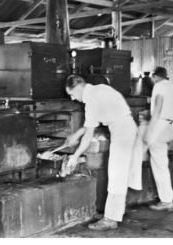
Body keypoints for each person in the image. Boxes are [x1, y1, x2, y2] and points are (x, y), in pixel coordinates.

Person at [63, 75, 143, 231]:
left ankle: (110, 219)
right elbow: (90, 123)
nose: (73, 98)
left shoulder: (91, 99)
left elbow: (88, 135)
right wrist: (75, 135)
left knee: (116, 176)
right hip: (129, 128)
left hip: (122, 133)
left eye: (72, 94)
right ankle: (114, 212)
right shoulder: (100, 89)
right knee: (119, 175)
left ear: (78, 87)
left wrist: (75, 155)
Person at [144, 67, 173, 211]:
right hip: (172, 126)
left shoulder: (158, 86)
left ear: (154, 77)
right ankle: (167, 198)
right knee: (162, 162)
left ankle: (166, 200)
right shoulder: (172, 87)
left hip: (161, 126)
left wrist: (149, 130)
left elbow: (158, 109)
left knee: (159, 164)